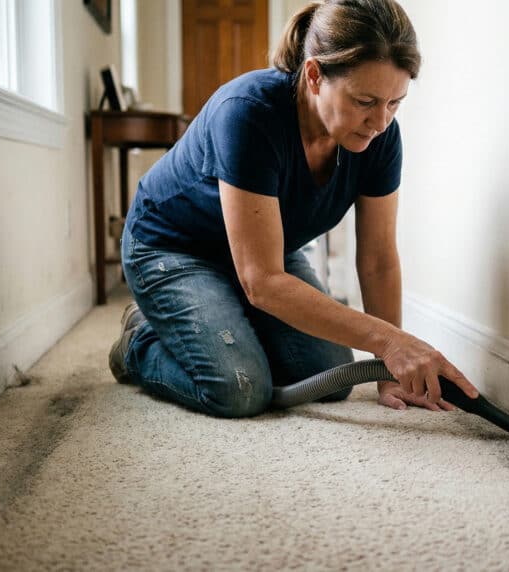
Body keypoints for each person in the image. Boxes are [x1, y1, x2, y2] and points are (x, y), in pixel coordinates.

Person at [108, 0, 479, 418]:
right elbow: (263, 281)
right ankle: (139, 341)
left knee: (333, 375)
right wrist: (390, 342)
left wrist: (388, 370)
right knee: (241, 389)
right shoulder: (248, 114)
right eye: (365, 101)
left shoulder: (381, 138)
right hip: (171, 249)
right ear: (315, 75)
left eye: (395, 103)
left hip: (263, 253)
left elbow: (377, 259)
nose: (380, 121)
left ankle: (221, 320)